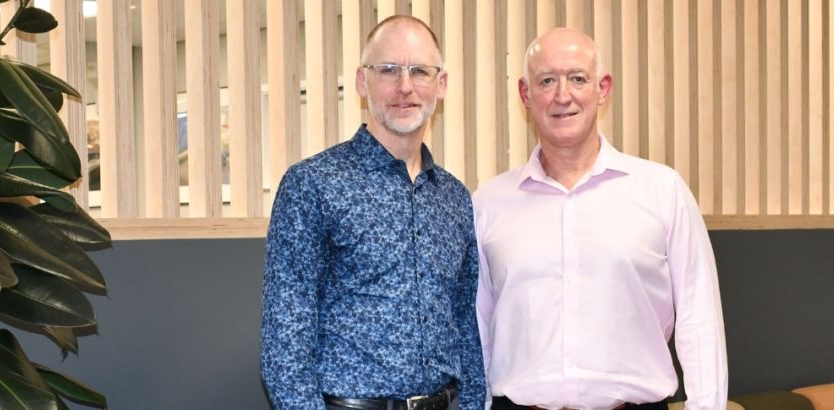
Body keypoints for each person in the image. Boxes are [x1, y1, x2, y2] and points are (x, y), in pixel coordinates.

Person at [473, 28, 729, 410]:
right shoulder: (489, 203)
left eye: (578, 78)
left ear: (603, 88)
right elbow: (476, 333)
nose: (563, 95)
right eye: (547, 81)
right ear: (526, 95)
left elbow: (699, 320)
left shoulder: (662, 191)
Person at [261, 15, 484, 410]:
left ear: (441, 85)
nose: (405, 86)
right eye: (388, 70)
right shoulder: (313, 184)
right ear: (362, 82)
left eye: (419, 71)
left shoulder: (454, 197)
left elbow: (465, 323)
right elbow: (285, 340)